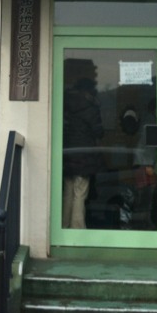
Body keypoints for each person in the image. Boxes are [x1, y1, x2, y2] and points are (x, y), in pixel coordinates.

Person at [62, 77, 104, 229]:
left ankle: (64, 227)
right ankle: (77, 229)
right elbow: (98, 131)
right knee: (80, 192)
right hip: (84, 155)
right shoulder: (91, 107)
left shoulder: (65, 104)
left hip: (67, 153)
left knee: (68, 192)